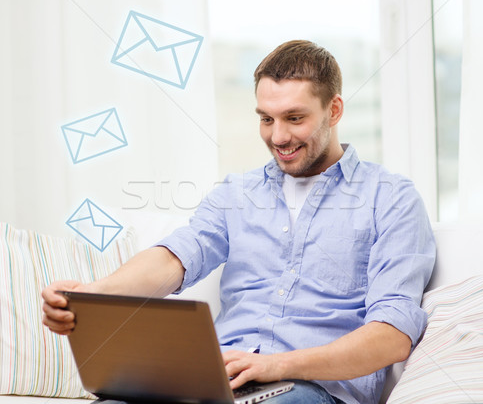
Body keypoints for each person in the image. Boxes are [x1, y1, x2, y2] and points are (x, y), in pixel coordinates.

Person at [42, 40, 436, 404]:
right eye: (266, 119)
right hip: (216, 382)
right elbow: (176, 258)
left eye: (294, 118)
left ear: (333, 110)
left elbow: (392, 336)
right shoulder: (237, 192)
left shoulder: (391, 198)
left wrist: (277, 365)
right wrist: (92, 297)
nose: (278, 136)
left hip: (312, 391)